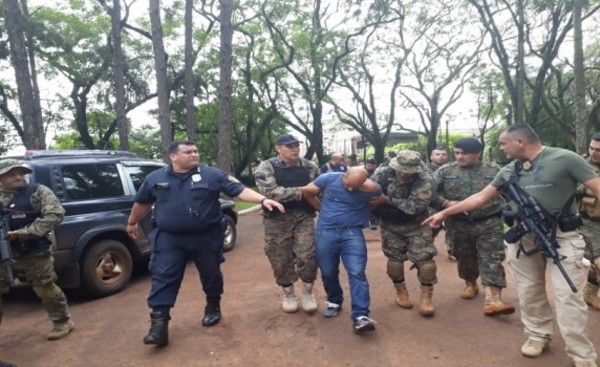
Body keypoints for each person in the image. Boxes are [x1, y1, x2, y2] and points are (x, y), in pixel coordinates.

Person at [423, 124, 599, 367]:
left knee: (568, 295)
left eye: (504, 143)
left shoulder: (565, 158)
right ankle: (537, 335)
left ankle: (582, 355)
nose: (501, 148)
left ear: (520, 142)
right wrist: (445, 214)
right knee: (529, 290)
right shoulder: (508, 170)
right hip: (523, 237)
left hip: (562, 236)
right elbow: (479, 198)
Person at [127, 141, 284, 347]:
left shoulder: (212, 175)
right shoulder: (155, 178)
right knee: (163, 276)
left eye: (196, 151)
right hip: (169, 237)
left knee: (210, 273)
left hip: (205, 236)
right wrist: (131, 221)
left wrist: (262, 200)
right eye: (188, 152)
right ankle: (159, 325)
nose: (194, 154)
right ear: (173, 156)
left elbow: (239, 190)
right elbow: (143, 202)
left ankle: (213, 306)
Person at [431, 138, 515, 316]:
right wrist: (446, 203)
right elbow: (431, 193)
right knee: (464, 256)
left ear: (478, 153)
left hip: (488, 221)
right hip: (458, 223)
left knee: (491, 257)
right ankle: (470, 282)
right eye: (457, 153)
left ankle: (493, 298)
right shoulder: (445, 171)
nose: (460, 157)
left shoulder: (494, 171)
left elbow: (511, 193)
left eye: (464, 153)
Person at [301, 167, 383, 334]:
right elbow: (307, 192)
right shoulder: (328, 178)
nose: (352, 189)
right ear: (343, 176)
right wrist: (320, 208)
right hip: (326, 232)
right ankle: (334, 300)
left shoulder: (373, 188)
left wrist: (365, 210)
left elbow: (382, 199)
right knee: (328, 270)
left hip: (352, 232)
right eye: (348, 185)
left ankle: (361, 315)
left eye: (356, 186)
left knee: (357, 271)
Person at [0, 159, 74, 341]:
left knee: (45, 288)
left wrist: (22, 233)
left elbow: (56, 214)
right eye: (12, 174)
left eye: (21, 173)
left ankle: (62, 322)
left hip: (34, 253)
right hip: (1, 255)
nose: (18, 176)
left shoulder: (37, 191)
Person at [254, 134, 320, 314]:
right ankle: (288, 293)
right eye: (289, 146)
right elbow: (271, 192)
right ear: (278, 148)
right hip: (276, 220)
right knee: (279, 258)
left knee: (308, 255)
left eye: (297, 145)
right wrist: (303, 190)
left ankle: (308, 292)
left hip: (303, 216)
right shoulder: (266, 167)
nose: (295, 149)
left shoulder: (310, 167)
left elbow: (320, 190)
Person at [370, 151, 437, 317]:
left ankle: (426, 298)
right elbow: (369, 197)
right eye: (401, 169)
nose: (403, 173)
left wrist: (387, 200)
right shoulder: (382, 175)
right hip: (390, 225)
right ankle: (401, 292)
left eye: (408, 171)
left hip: (417, 224)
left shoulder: (425, 180)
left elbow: (414, 207)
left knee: (426, 262)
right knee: (394, 261)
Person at [576, 132, 600, 310]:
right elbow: (562, 185)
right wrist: (585, 187)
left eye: (598, 150)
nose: (593, 152)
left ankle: (590, 293)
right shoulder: (578, 164)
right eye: (592, 148)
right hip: (588, 221)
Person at [364, 158, 379, 230]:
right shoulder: (363, 172)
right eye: (367, 165)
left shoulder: (378, 173)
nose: (368, 167)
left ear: (374, 166)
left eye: (370, 166)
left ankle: (374, 222)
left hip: (375, 192)